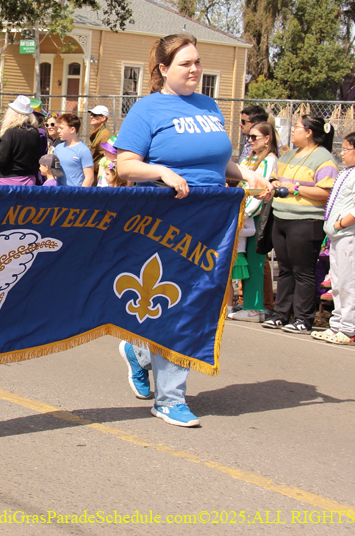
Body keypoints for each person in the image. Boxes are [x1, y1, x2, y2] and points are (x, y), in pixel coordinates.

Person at [114, 33, 272, 428]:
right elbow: (125, 166)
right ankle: (169, 398)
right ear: (164, 69)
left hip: (212, 220)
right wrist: (162, 171)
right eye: (186, 64)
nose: (195, 70)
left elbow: (220, 164)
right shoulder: (147, 110)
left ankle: (141, 353)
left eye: (198, 62)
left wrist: (247, 172)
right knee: (175, 305)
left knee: (195, 303)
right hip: (165, 221)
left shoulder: (209, 106)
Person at [262, 116, 338, 334]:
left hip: (306, 221)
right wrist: (275, 184)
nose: (292, 131)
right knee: (284, 269)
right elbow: (276, 180)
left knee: (303, 271)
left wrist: (296, 188)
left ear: (309, 132)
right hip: (281, 218)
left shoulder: (324, 160)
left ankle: (304, 318)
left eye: (296, 127)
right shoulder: (288, 156)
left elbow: (326, 192)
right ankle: (280, 314)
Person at [310, 131, 355, 345]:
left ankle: (349, 329)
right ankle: (337, 326)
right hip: (338, 235)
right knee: (338, 282)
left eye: (346, 149)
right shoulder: (351, 171)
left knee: (350, 283)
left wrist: (339, 224)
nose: (341, 153)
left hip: (351, 235)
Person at [229, 121, 279, 322]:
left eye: (254, 137)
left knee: (255, 261)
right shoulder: (251, 158)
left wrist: (246, 213)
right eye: (248, 137)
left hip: (256, 216)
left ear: (267, 139)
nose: (249, 141)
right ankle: (249, 303)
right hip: (244, 213)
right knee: (245, 261)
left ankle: (255, 306)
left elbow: (261, 191)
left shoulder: (270, 160)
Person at [0, 95, 42, 186]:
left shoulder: (10, 132)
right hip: (29, 179)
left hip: (7, 180)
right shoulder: (35, 133)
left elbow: (1, 160)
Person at [53, 113, 94, 187]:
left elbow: (89, 178)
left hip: (75, 194)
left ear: (72, 129)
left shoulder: (83, 151)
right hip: (59, 193)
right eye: (58, 128)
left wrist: (79, 194)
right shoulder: (58, 148)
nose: (58, 131)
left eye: (61, 128)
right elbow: (55, 173)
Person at [87, 105, 113, 172]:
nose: (91, 116)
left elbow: (106, 157)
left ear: (103, 118)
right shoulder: (96, 133)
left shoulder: (104, 135)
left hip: (96, 174)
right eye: (91, 114)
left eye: (95, 115)